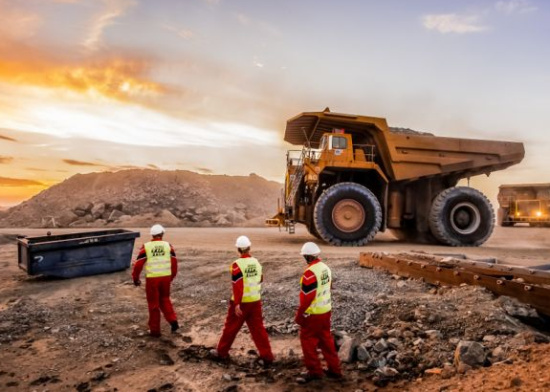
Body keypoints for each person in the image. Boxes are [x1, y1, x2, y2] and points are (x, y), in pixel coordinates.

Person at [210, 235, 274, 366]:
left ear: (238, 249)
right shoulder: (256, 262)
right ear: (249, 248)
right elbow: (261, 279)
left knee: (230, 328)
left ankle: (221, 353)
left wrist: (237, 304)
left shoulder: (237, 265)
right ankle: (267, 356)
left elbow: (238, 285)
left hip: (242, 303)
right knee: (258, 330)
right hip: (255, 301)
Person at [295, 242, 342, 383]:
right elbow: (330, 286)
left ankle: (315, 372)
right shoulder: (325, 268)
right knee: (326, 341)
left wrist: (299, 315)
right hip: (326, 311)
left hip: (313, 314)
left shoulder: (310, 273)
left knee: (307, 341)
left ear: (307, 257)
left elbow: (307, 298)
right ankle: (335, 370)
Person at [132, 224, 179, 337]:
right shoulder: (168, 246)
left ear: (152, 235)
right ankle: (173, 321)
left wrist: (135, 278)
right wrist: (171, 278)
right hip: (166, 278)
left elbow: (138, 265)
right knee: (165, 299)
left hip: (152, 279)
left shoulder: (146, 246)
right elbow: (174, 264)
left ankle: (155, 331)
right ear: (162, 234)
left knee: (153, 304)